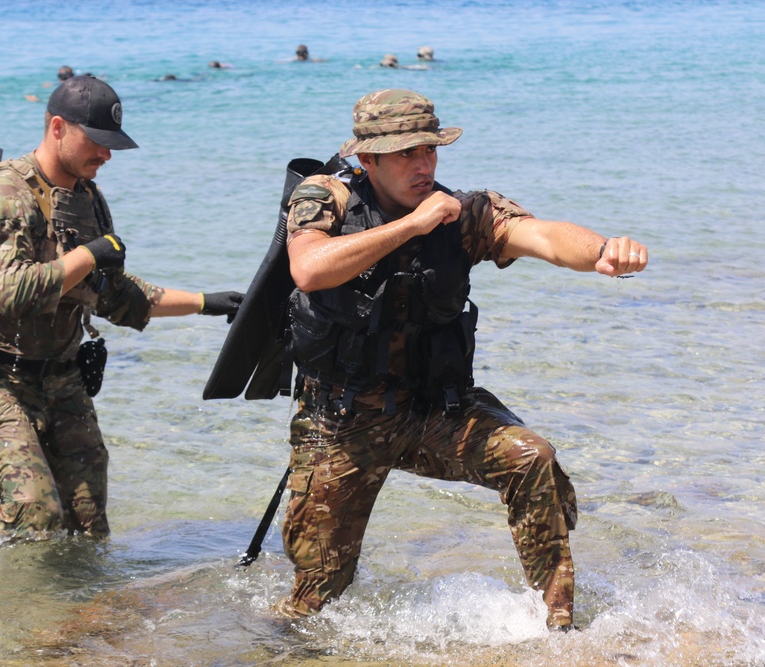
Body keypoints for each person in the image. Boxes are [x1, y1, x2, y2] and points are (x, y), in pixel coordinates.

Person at [275, 89, 648, 630]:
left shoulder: (466, 212)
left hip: (434, 411)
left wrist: (603, 251)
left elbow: (540, 236)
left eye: (430, 150)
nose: (424, 164)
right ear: (367, 159)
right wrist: (413, 225)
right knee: (316, 599)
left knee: (531, 458)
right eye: (407, 153)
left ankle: (559, 624)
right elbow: (308, 269)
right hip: (342, 421)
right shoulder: (324, 198)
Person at [0, 75, 243, 549]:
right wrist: (91, 254)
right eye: (96, 142)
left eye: (111, 145)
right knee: (34, 512)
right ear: (58, 127)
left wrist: (207, 303)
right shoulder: (6, 194)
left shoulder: (86, 198)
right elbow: (13, 292)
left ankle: (77, 617)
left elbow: (115, 297)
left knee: (88, 529)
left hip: (63, 378)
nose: (106, 155)